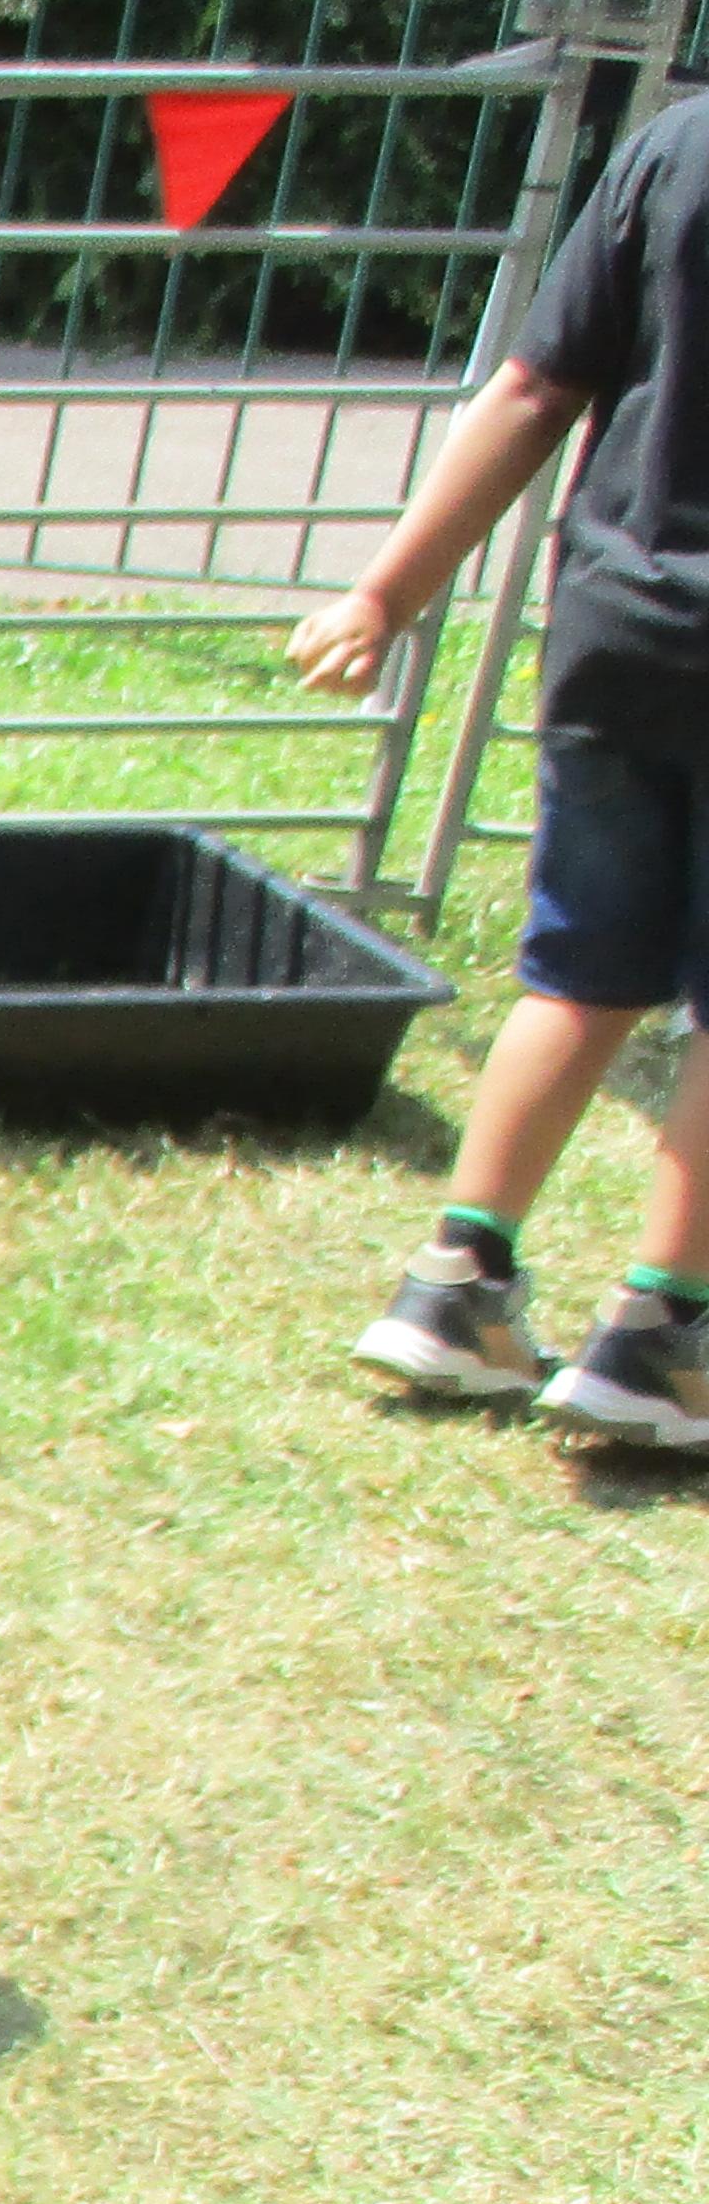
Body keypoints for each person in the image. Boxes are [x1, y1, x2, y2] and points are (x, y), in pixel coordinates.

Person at [293, 86, 709, 1453]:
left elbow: (531, 387)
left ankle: (457, 1284)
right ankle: (662, 1335)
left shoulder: (675, 146)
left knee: (578, 972)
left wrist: (382, 594)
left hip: (620, 635)